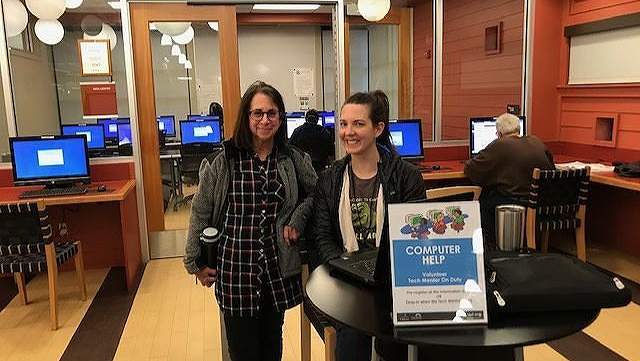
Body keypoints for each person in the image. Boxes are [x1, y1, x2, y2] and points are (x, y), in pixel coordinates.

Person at [183, 81, 317, 361]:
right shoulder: (223, 161)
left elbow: (317, 194)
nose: (265, 120)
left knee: (272, 347)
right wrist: (194, 263)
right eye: (258, 113)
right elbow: (200, 211)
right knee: (243, 351)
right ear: (246, 117)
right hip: (235, 271)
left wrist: (298, 218)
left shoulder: (291, 159)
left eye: (272, 113)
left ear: (281, 119)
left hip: (276, 271)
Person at [311, 90, 426, 361]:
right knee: (353, 334)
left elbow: (418, 236)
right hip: (346, 282)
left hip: (393, 281)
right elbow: (322, 236)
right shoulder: (330, 179)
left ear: (378, 129)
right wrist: (345, 269)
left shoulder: (406, 176)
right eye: (343, 124)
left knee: (402, 332)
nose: (348, 132)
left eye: (358, 124)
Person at [464, 112, 555, 246]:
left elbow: (471, 169)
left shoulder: (500, 144)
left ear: (499, 134)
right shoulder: (536, 142)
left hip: (516, 203)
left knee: (482, 202)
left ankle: (491, 247)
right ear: (518, 129)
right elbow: (552, 169)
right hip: (541, 201)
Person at [289, 109, 335, 173]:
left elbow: (290, 149)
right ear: (317, 120)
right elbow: (331, 153)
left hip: (301, 170)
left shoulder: (297, 131)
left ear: (305, 119)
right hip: (320, 169)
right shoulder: (325, 133)